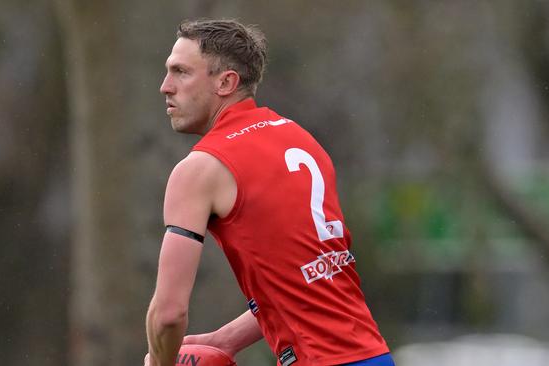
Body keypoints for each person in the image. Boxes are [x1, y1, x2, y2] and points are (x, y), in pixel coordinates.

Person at [145, 19, 394, 366]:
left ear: (226, 82)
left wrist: (159, 362)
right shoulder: (300, 139)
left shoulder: (200, 169)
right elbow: (312, 276)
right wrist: (224, 340)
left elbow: (169, 314)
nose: (165, 87)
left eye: (181, 72)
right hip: (372, 356)